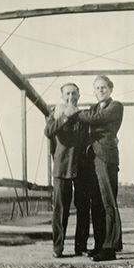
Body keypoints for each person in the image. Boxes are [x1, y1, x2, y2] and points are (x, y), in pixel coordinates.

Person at [65, 76, 123, 261]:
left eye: (104, 87)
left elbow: (97, 119)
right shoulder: (93, 108)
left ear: (111, 89)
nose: (100, 90)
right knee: (98, 204)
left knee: (108, 202)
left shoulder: (116, 106)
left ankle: (110, 247)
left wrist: (73, 112)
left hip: (106, 158)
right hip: (93, 160)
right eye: (97, 88)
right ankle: (100, 244)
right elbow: (88, 122)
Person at [44, 83, 90, 258]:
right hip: (62, 167)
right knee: (60, 210)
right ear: (62, 96)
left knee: (84, 208)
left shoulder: (83, 115)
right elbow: (48, 131)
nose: (71, 97)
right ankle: (58, 247)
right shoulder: (54, 114)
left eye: (74, 94)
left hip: (82, 168)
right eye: (67, 94)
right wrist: (64, 117)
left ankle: (81, 247)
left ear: (79, 96)